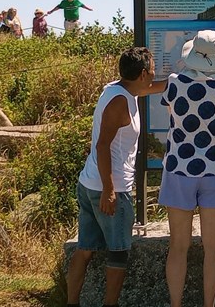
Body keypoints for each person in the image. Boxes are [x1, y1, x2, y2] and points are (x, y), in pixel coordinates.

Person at [65, 47, 166, 307]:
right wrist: (110, 190)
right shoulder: (120, 101)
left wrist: (182, 80)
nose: (155, 73)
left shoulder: (119, 89)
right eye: (153, 69)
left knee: (85, 248)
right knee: (118, 253)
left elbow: (149, 88)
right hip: (110, 187)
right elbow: (102, 145)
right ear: (143, 73)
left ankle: (71, 302)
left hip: (89, 182)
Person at [158, 30, 215, 307]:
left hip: (178, 170)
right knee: (213, 247)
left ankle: (176, 304)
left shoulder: (173, 84)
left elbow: (175, 119)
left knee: (178, 247)